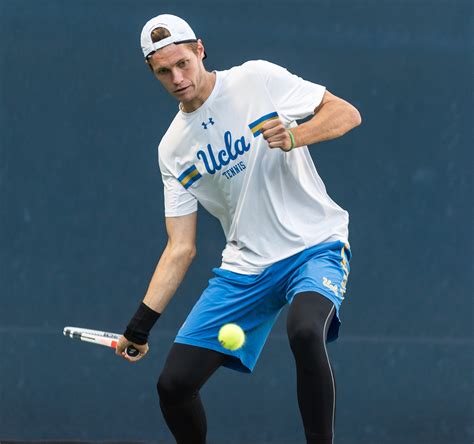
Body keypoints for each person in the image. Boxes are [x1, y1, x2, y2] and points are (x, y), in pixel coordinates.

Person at [116, 13, 361, 444]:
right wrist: (139, 327)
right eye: (163, 72)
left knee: (305, 331)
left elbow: (346, 114)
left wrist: (295, 136)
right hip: (246, 267)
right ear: (153, 74)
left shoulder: (256, 80)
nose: (177, 77)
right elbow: (180, 248)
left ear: (200, 50)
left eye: (183, 64)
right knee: (173, 386)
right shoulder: (172, 149)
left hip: (314, 246)